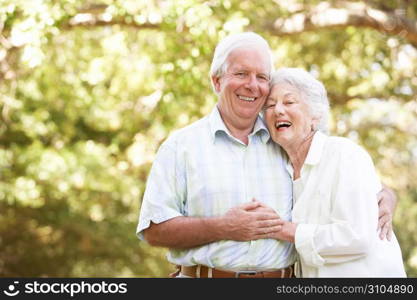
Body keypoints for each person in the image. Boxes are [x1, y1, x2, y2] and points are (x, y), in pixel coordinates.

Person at [136, 32, 397, 278]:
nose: (252, 85)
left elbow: (331, 176)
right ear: (217, 81)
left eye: (262, 77)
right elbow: (154, 230)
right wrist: (224, 227)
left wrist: (382, 192)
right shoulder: (181, 147)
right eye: (241, 73)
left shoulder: (284, 140)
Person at [263, 67, 406, 277]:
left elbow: (357, 236)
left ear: (315, 114)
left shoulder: (344, 154)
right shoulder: (280, 168)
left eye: (289, 102)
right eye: (270, 105)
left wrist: (285, 230)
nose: (278, 110)